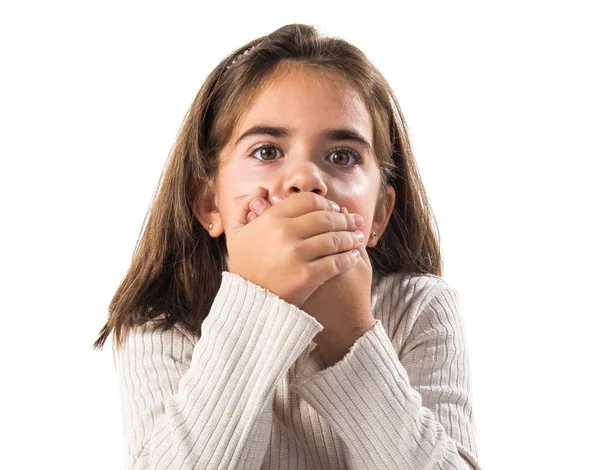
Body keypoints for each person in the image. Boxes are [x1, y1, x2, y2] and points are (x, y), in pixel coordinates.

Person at [93, 23, 480, 470]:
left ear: (379, 215)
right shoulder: (162, 324)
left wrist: (352, 339)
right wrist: (256, 303)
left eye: (342, 156)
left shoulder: (419, 309)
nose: (305, 179)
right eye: (267, 152)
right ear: (208, 204)